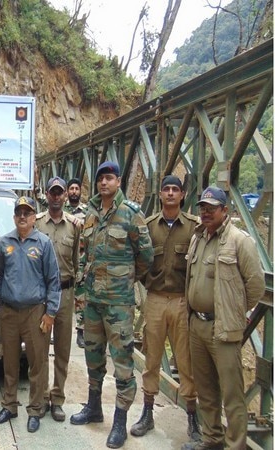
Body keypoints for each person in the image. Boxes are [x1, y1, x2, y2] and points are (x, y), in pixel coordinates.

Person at [70, 161, 153, 449]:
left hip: (118, 305)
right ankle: (94, 407)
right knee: (93, 358)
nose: (104, 183)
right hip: (93, 302)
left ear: (118, 182)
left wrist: (126, 280)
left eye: (109, 178)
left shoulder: (130, 213)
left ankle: (120, 421)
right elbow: (87, 256)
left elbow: (146, 256)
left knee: (123, 365)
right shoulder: (92, 214)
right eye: (100, 179)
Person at [182, 186, 265, 450]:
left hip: (223, 328)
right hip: (197, 324)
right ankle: (212, 439)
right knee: (205, 390)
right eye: (202, 208)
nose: (206, 213)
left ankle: (235, 445)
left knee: (231, 393)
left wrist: (235, 312)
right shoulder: (198, 238)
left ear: (225, 210)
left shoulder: (240, 241)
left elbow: (256, 287)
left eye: (211, 208)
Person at [130, 175, 202, 440]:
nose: (171, 193)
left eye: (175, 190)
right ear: (160, 195)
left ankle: (192, 419)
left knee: (186, 362)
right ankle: (147, 413)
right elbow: (138, 259)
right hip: (156, 299)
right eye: (166, 190)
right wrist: (148, 282)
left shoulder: (194, 227)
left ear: (182, 195)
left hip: (182, 302)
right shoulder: (149, 227)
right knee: (151, 359)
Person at [0, 196, 61, 433]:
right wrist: (1, 307)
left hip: (35, 312)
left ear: (34, 217)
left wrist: (50, 312)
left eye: (27, 213)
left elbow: (53, 280)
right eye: (19, 213)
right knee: (9, 363)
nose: (23, 217)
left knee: (36, 363)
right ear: (14, 217)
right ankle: (9, 405)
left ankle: (35, 408)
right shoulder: (4, 242)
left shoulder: (43, 243)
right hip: (10, 313)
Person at [35, 177, 79, 422]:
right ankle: (41, 397)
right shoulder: (38, 223)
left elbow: (75, 261)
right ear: (47, 195)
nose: (56, 196)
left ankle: (58, 398)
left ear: (65, 196)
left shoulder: (74, 226)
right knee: (41, 349)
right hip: (42, 294)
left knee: (62, 349)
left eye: (59, 193)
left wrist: (76, 293)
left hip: (65, 293)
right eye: (52, 192)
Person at [66, 177, 87, 349]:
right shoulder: (60, 209)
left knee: (81, 297)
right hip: (64, 259)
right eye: (71, 188)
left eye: (76, 188)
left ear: (80, 191)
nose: (74, 191)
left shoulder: (86, 211)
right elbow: (41, 198)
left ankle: (81, 331)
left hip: (80, 259)